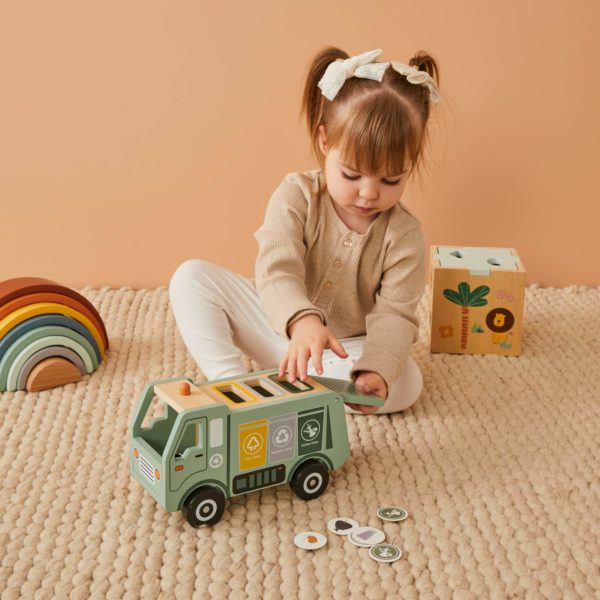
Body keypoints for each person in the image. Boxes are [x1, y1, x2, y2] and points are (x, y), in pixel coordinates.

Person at [169, 47, 441, 414]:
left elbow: (396, 315)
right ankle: (230, 384)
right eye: (351, 174)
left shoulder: (404, 235)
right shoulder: (296, 195)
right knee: (191, 278)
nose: (369, 192)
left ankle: (304, 387)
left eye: (391, 179)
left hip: (342, 351)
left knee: (406, 382)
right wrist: (302, 320)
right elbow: (276, 268)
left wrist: (377, 370)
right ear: (325, 140)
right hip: (274, 326)